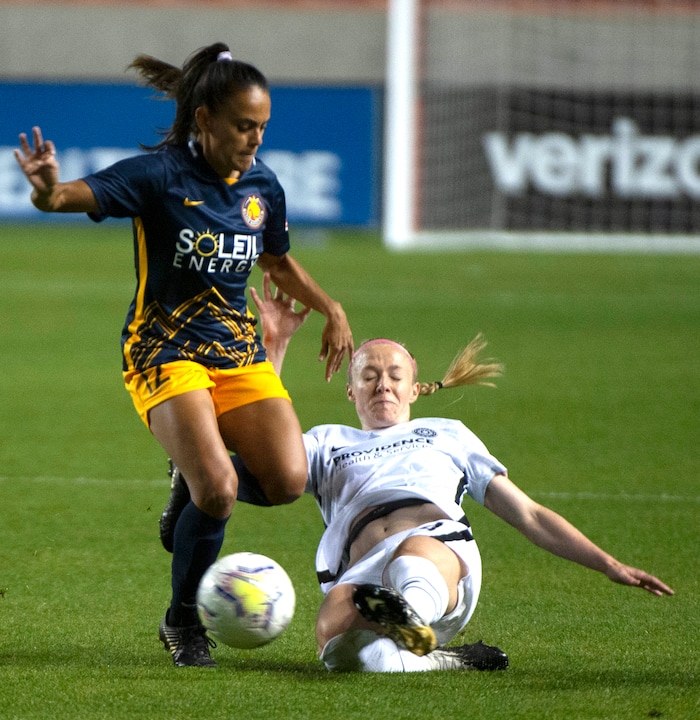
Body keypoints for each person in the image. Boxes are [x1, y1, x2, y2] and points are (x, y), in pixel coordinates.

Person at [14, 43, 354, 668]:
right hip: (163, 350)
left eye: (262, 128)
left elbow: (276, 260)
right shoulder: (159, 176)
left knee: (287, 481)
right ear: (205, 120)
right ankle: (182, 621)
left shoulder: (262, 186)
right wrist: (44, 192)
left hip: (237, 351)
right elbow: (68, 198)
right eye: (243, 126)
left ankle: (189, 476)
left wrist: (331, 308)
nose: (254, 140)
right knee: (220, 490)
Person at [230, 276, 673, 672]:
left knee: (412, 553)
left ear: (414, 389)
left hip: (440, 559)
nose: (382, 384)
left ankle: (409, 613)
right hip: (360, 575)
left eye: (394, 375)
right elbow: (264, 450)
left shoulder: (446, 434)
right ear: (350, 390)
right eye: (368, 376)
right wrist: (276, 342)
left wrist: (609, 564)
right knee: (342, 651)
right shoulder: (327, 441)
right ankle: (439, 658)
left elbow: (529, 515)